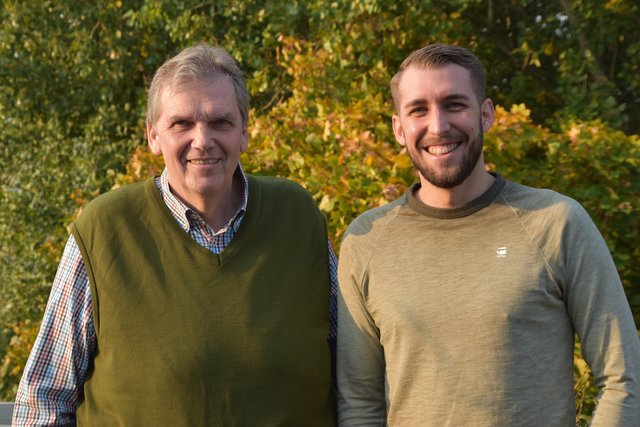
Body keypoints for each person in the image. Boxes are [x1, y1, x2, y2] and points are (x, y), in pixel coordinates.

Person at [14, 44, 337, 426]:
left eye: (221, 122)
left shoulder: (297, 216)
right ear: (153, 136)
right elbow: (43, 400)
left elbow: (353, 368)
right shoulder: (104, 229)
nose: (202, 140)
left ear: (244, 133)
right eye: (181, 123)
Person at [336, 43, 640, 426]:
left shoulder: (555, 223)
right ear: (399, 128)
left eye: (454, 105)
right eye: (418, 110)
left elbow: (624, 378)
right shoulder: (365, 242)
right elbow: (359, 403)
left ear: (486, 114)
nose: (438, 125)